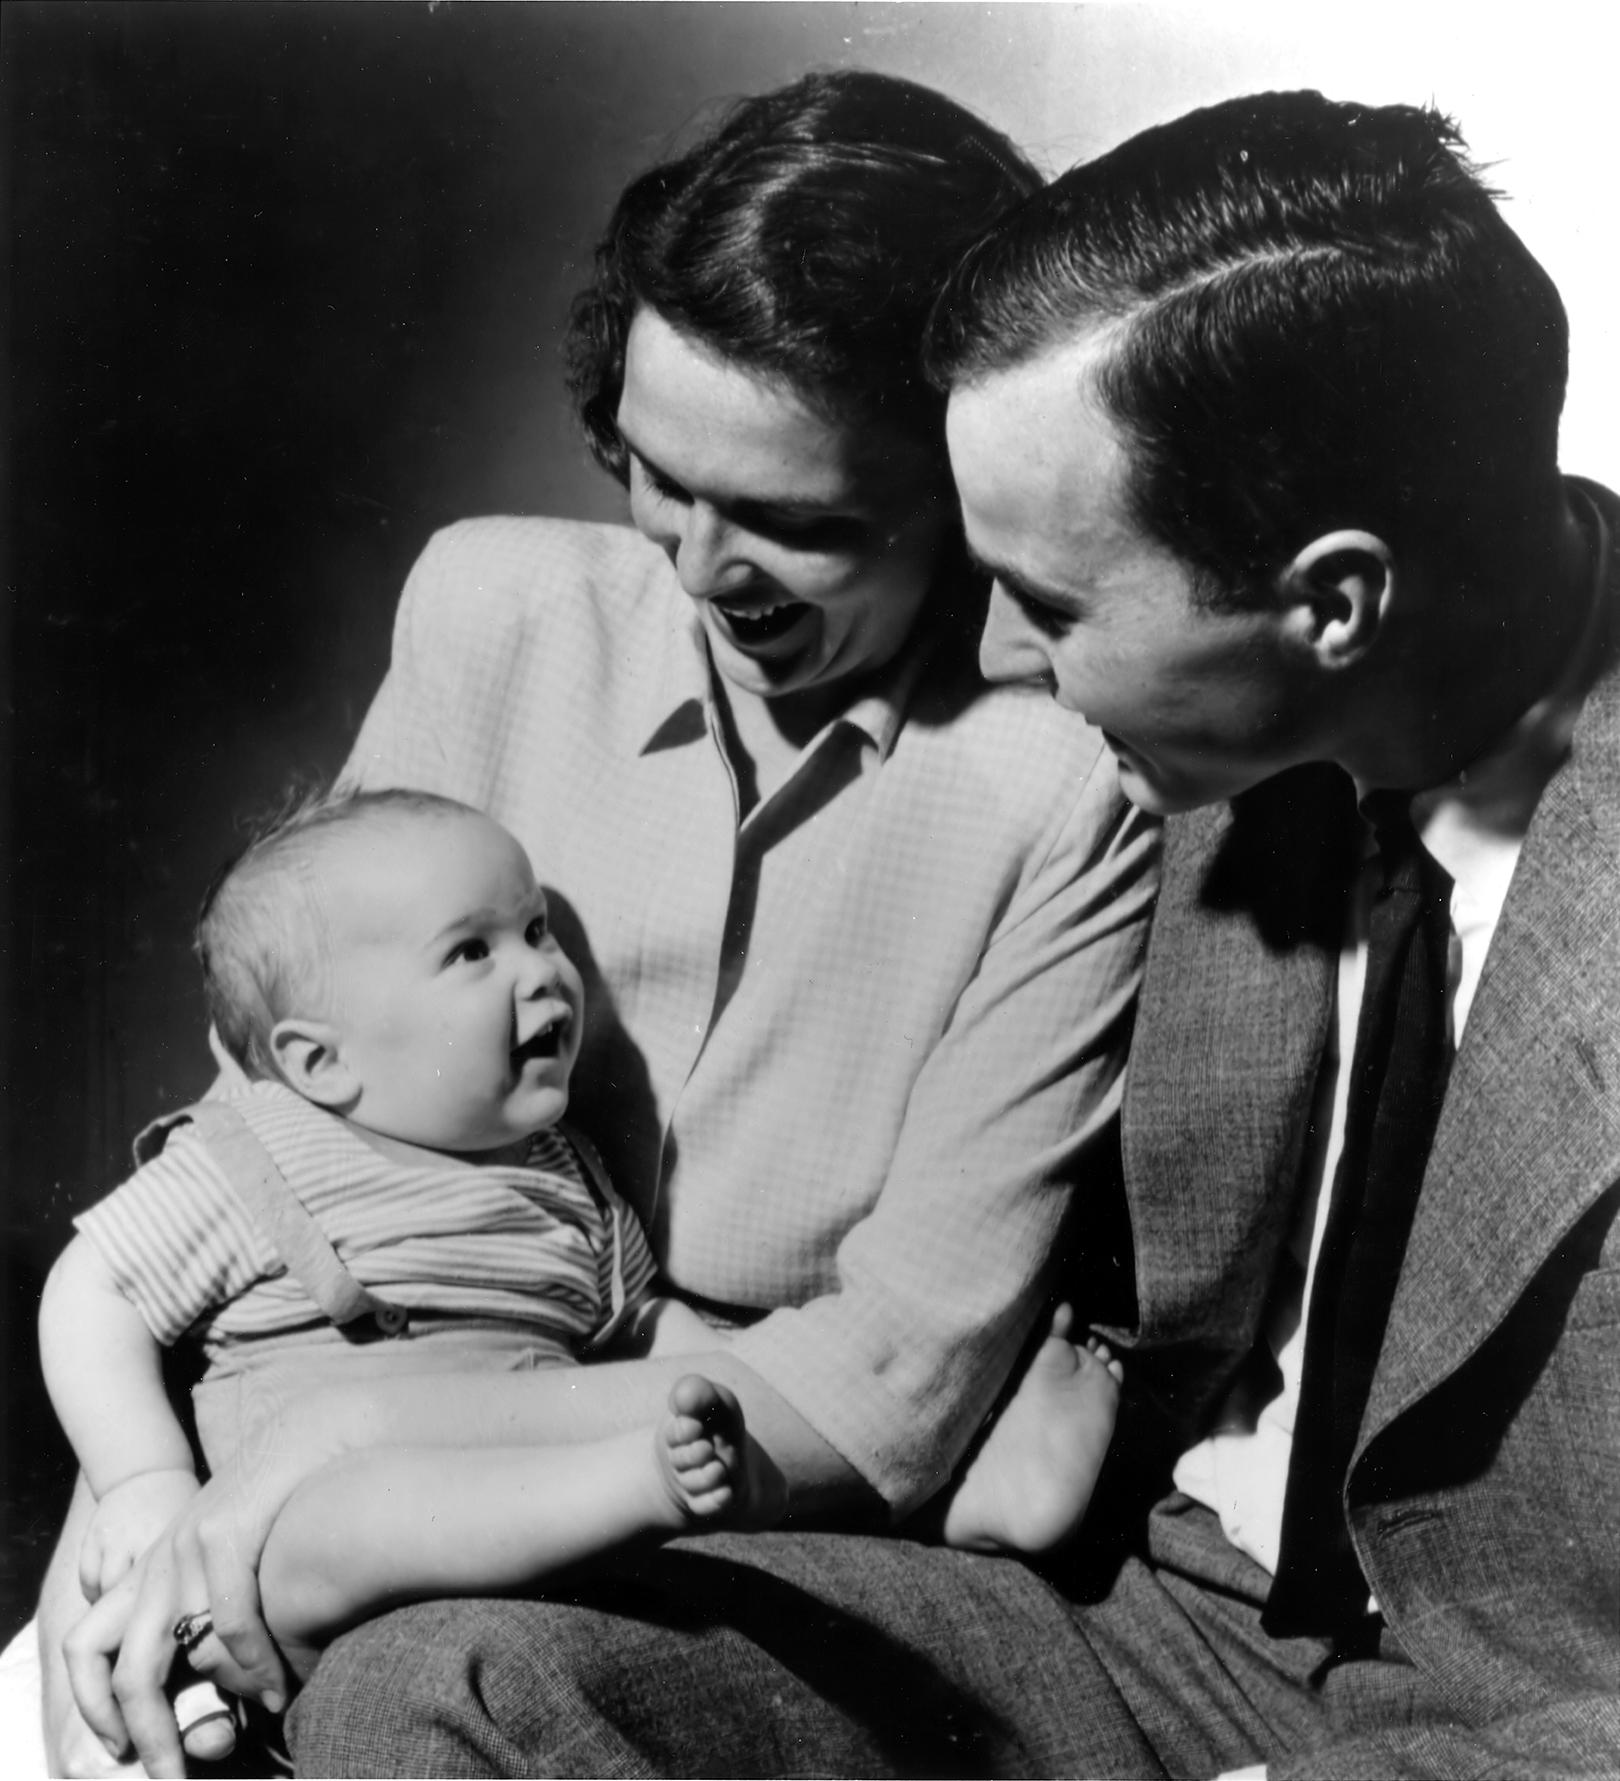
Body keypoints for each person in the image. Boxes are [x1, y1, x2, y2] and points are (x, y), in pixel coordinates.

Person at [265, 88, 1620, 1776]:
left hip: (1531, 1721)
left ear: (1334, 601)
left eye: (1051, 607)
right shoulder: (1234, 743)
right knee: (439, 1686)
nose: (990, 667)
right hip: (1160, 1622)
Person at [42, 70, 1156, 1776]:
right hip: (281, 1426)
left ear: (969, 476)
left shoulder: (1065, 783)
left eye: (801, 520)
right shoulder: (494, 607)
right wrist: (145, 1507)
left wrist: (338, 1451)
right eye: (652, 474)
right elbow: (279, 1103)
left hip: (722, 1503)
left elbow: (891, 1394)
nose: (706, 570)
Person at [39, 787, 787, 1727]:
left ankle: (644, 1484)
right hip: (289, 1538)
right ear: (321, 1065)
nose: (543, 972)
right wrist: (144, 1479)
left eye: (536, 927)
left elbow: (636, 1324)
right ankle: (637, 1487)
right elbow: (91, 1289)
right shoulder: (262, 1150)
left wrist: (723, 1386)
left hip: (496, 1524)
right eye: (472, 950)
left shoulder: (570, 1175)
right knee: (348, 1513)